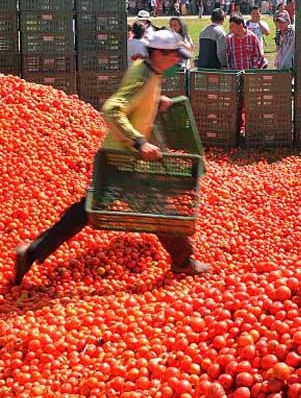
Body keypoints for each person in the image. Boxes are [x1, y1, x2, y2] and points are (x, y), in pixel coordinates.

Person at [13, 30, 210, 285]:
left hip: (116, 157)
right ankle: (184, 262)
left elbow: (133, 96)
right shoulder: (144, 76)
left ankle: (31, 252)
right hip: (126, 159)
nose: (176, 60)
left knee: (85, 211)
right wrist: (139, 142)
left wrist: (156, 100)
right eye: (173, 55)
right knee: (162, 213)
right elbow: (112, 109)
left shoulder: (148, 69)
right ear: (159, 53)